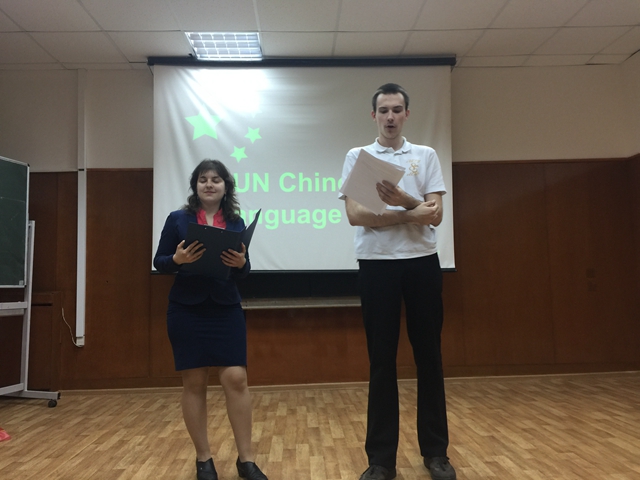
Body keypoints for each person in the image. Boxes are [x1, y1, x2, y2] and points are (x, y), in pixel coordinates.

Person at [339, 84, 456, 480]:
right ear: (373, 116)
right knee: (381, 361)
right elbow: (356, 215)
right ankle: (381, 460)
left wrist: (404, 199)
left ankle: (436, 453)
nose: (390, 116)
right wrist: (409, 214)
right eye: (384, 110)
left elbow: (436, 214)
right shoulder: (359, 156)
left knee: (430, 357)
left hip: (422, 263)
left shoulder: (425, 155)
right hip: (377, 266)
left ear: (407, 114)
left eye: (397, 109)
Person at [154, 159, 267, 480]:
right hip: (186, 309)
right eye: (203, 179)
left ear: (225, 187)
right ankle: (204, 459)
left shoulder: (235, 222)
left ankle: (246, 460)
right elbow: (160, 261)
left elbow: (243, 270)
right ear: (195, 185)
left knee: (236, 379)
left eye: (216, 179)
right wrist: (177, 259)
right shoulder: (178, 219)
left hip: (225, 307)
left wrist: (241, 263)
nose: (209, 184)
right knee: (194, 382)